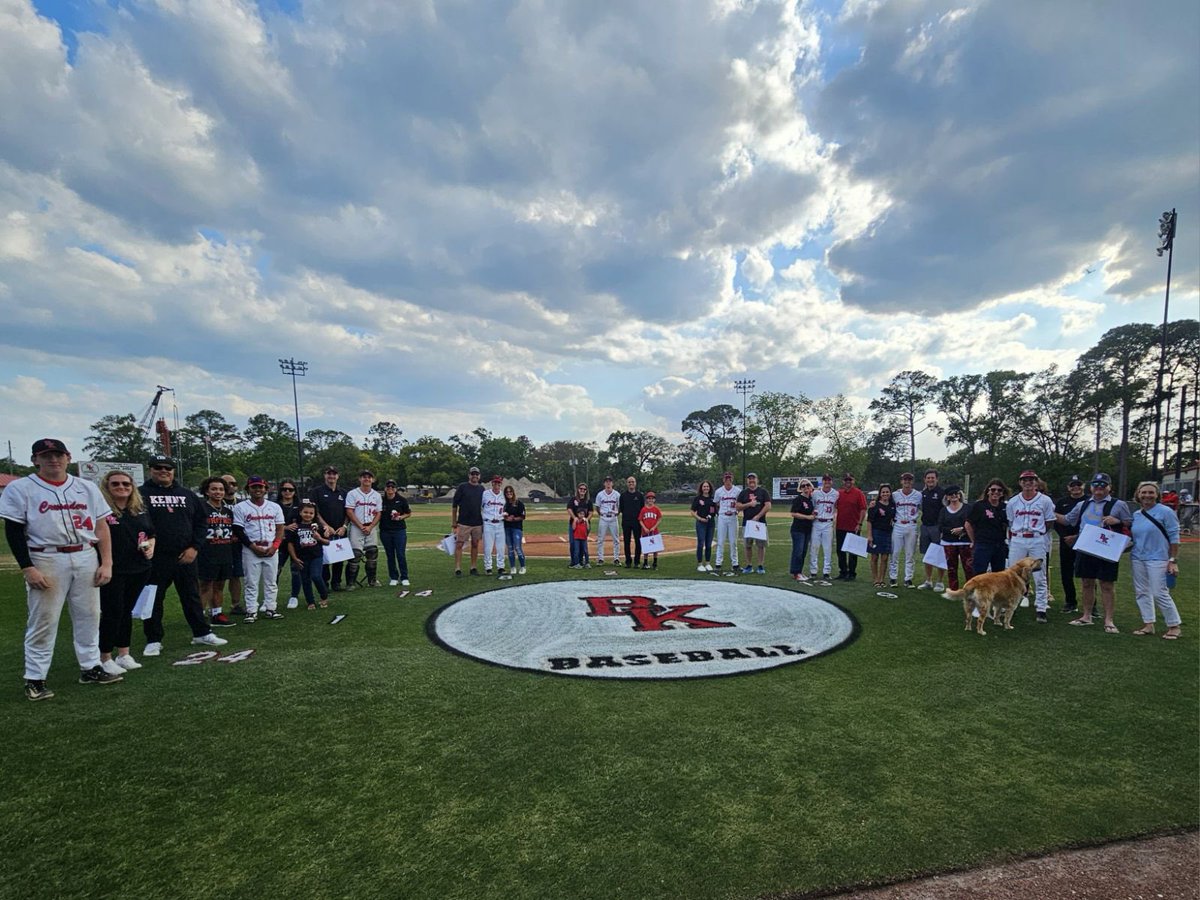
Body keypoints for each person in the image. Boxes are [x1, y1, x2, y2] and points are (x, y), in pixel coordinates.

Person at [1, 439, 119, 700]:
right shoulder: (21, 488)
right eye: (46, 455)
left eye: (58, 454)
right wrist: (27, 568)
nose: (53, 459)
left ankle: (90, 667)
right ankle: (35, 677)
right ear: (35, 459)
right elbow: (14, 530)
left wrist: (106, 562)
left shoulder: (85, 487)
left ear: (68, 457)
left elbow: (102, 527)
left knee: (90, 615)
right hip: (46, 557)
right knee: (44, 619)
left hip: (85, 553)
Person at [141, 456, 226, 655]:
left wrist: (194, 548)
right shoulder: (140, 493)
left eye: (168, 468)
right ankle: (153, 639)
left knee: (191, 596)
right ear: (150, 469)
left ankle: (201, 633)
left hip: (185, 555)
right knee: (153, 599)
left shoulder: (187, 495)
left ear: (173, 471)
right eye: (158, 468)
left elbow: (201, 523)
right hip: (156, 557)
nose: (164, 471)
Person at [97, 470, 156, 676]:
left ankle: (124, 653)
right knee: (112, 612)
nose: (122, 487)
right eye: (116, 484)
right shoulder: (101, 510)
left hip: (139, 567)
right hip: (113, 569)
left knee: (127, 611)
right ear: (107, 487)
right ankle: (104, 657)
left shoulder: (139, 509)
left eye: (126, 484)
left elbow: (151, 534)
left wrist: (150, 547)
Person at [1057, 472, 1132, 633]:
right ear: (1091, 487)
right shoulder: (1083, 504)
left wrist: (1117, 521)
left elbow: (1130, 522)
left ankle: (1109, 620)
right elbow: (1067, 520)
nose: (1099, 488)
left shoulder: (1118, 504)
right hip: (1086, 547)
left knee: (1106, 584)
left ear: (1109, 487)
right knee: (1087, 583)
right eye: (1096, 485)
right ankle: (1086, 616)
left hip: (1107, 547)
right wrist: (1048, 510)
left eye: (1103, 485)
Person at [1129, 482, 1182, 640]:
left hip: (1159, 558)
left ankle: (1174, 625)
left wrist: (1173, 560)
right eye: (1143, 492)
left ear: (1157, 495)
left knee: (1159, 592)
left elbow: (1174, 536)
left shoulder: (1165, 512)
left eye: (1151, 492)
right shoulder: (1137, 515)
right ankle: (1148, 623)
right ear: (1138, 494)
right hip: (1138, 557)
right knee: (1142, 592)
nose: (1147, 495)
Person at [232, 475, 286, 623]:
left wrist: (275, 546)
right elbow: (238, 529)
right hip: (251, 548)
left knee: (271, 581)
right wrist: (252, 546)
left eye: (260, 487)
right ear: (248, 489)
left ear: (265, 489)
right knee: (251, 582)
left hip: (270, 547)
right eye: (254, 487)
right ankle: (251, 611)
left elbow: (280, 528)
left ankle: (271, 608)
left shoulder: (274, 507)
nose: (257, 489)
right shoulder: (240, 507)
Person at [1006, 469, 1058, 623]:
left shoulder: (1045, 501)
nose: (1028, 483)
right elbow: (1010, 522)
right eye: (1025, 480)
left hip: (1036, 538)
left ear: (1036, 482)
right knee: (1013, 573)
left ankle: (1041, 607)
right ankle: (1012, 605)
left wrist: (1039, 533)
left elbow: (1049, 521)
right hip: (1018, 538)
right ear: (1020, 483)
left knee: (1039, 574)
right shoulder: (1013, 501)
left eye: (1031, 480)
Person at [196, 476, 237, 627]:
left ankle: (217, 614)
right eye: (214, 489)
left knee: (220, 585)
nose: (218, 492)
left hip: (225, 551)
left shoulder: (227, 511)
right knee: (205, 585)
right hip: (207, 552)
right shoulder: (201, 508)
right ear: (207, 491)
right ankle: (199, 616)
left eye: (221, 489)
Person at [310, 467, 349, 591]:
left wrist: (344, 526)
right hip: (324, 531)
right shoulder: (317, 491)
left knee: (339, 557)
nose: (331, 476)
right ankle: (324, 583)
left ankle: (336, 583)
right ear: (325, 475)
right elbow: (315, 512)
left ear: (338, 476)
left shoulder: (343, 492)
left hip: (340, 530)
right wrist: (325, 525)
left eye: (334, 474)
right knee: (325, 558)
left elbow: (348, 512)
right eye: (329, 474)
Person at [286, 500, 330, 609]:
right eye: (305, 512)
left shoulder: (318, 527)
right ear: (300, 512)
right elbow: (290, 544)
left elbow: (328, 542)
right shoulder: (295, 527)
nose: (308, 515)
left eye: (311, 513)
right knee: (305, 580)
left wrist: (320, 538)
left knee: (316, 576)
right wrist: (294, 558)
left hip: (316, 556)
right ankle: (310, 601)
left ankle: (324, 595)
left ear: (314, 514)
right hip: (301, 557)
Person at [344, 470, 383, 589]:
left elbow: (378, 513)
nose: (366, 479)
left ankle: (372, 580)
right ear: (360, 479)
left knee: (372, 552)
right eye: (364, 477)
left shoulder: (376, 495)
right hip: (356, 527)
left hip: (371, 527)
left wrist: (370, 527)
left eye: (369, 477)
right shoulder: (352, 493)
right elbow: (349, 511)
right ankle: (351, 583)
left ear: (373, 480)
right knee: (355, 554)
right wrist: (361, 526)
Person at [1053, 475, 1086, 615]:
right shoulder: (1062, 502)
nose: (1076, 487)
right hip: (1066, 541)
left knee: (1087, 574)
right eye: (1073, 485)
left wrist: (1078, 537)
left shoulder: (1089, 501)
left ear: (1083, 485)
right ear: (1068, 487)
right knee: (1066, 573)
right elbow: (1056, 520)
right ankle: (1070, 602)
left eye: (1078, 484)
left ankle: (1092, 605)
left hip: (1084, 541)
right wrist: (1064, 537)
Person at [966, 479, 1009, 578]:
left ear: (1003, 493)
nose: (996, 492)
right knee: (979, 572)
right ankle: (976, 593)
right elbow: (968, 524)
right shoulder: (979, 505)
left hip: (999, 545)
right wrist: (973, 541)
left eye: (999, 490)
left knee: (998, 575)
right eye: (993, 490)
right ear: (988, 491)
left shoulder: (1005, 507)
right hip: (983, 544)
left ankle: (995, 593)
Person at [937, 485, 974, 591]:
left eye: (956, 493)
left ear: (959, 495)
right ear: (947, 497)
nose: (954, 496)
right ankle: (954, 590)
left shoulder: (968, 508)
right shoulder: (943, 511)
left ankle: (970, 590)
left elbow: (972, 523)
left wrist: (962, 529)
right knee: (951, 568)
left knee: (969, 568)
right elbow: (940, 526)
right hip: (948, 543)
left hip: (965, 542)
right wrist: (952, 531)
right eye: (951, 494)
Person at [889, 472, 922, 587]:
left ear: (912, 481)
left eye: (909, 479)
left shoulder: (918, 495)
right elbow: (884, 502)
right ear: (901, 481)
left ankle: (908, 579)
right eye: (905, 479)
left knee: (910, 554)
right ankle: (893, 578)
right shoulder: (895, 495)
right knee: (895, 553)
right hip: (898, 525)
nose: (907, 481)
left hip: (911, 525)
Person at [451, 466, 485, 576]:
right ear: (469, 475)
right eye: (472, 474)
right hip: (464, 521)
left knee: (475, 544)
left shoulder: (481, 489)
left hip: (477, 522)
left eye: (476, 474)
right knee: (459, 544)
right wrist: (454, 521)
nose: (474, 476)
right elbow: (455, 505)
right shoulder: (462, 487)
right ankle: (457, 568)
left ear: (479, 476)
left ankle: (473, 567)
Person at [275, 479, 303, 609]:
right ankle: (270, 598)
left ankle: (294, 597)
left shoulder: (300, 505)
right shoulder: (273, 505)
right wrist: (285, 528)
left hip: (296, 543)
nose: (287, 492)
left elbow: (307, 519)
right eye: (284, 489)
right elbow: (268, 523)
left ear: (294, 491)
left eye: (290, 489)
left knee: (295, 570)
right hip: (279, 542)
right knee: (275, 570)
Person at [736, 472, 771, 575]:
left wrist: (758, 516)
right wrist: (748, 504)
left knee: (761, 545)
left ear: (757, 480)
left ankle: (760, 565)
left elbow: (768, 506)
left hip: (760, 523)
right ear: (747, 480)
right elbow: (737, 506)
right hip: (747, 523)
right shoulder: (743, 493)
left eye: (753, 478)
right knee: (748, 545)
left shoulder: (763, 492)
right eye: (749, 479)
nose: (751, 480)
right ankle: (749, 565)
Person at [835, 473, 868, 581]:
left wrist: (859, 523)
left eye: (850, 480)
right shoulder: (839, 493)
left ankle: (852, 573)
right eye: (846, 480)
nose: (848, 482)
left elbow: (863, 509)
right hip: (840, 526)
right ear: (843, 481)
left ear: (853, 481)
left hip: (853, 527)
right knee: (840, 551)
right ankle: (843, 571)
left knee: (853, 552)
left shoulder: (858, 493)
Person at [917, 469, 946, 591]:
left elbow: (947, 510)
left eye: (932, 478)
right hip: (925, 526)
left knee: (940, 554)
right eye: (928, 478)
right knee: (927, 555)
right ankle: (928, 580)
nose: (930, 480)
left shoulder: (942, 493)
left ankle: (940, 582)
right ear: (925, 479)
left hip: (937, 528)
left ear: (937, 479)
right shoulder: (922, 493)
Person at [220, 474, 245, 612]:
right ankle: (212, 609)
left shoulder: (242, 503)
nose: (231, 486)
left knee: (236, 575)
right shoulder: (212, 502)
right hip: (218, 544)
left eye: (234, 483)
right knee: (217, 578)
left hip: (237, 545)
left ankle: (235, 605)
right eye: (227, 483)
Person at [379, 480, 411, 586]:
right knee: (390, 555)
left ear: (395, 489)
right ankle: (393, 577)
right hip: (385, 531)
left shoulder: (401, 500)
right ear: (385, 489)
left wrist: (400, 517)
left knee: (401, 554)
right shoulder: (381, 500)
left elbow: (408, 513)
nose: (390, 489)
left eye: (392, 487)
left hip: (399, 530)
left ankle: (404, 577)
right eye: (388, 487)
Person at [866, 484, 896, 587]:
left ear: (890, 493)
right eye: (883, 492)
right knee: (874, 557)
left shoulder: (893, 505)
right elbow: (869, 521)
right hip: (876, 532)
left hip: (887, 533)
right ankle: (875, 580)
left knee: (885, 558)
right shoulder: (875, 505)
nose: (885, 494)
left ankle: (881, 579)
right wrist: (869, 535)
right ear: (880, 494)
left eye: (887, 492)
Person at [809, 474, 838, 579]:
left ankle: (826, 572)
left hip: (828, 523)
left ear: (832, 482)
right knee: (814, 547)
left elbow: (838, 506)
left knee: (827, 548)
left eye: (829, 480)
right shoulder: (815, 493)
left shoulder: (836, 494)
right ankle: (813, 571)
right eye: (825, 480)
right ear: (822, 482)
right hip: (816, 522)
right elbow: (810, 505)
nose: (827, 482)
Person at [712, 471, 740, 575]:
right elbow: (716, 503)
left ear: (732, 479)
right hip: (722, 517)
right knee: (720, 541)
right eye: (726, 479)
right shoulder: (719, 491)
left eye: (729, 478)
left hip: (733, 516)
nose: (728, 480)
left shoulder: (737, 490)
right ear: (723, 479)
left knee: (733, 542)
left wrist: (737, 511)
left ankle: (735, 563)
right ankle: (718, 563)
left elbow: (740, 504)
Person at [788, 479, 816, 582]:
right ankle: (795, 572)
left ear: (811, 486)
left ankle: (799, 571)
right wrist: (807, 517)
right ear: (800, 488)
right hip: (798, 529)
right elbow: (793, 513)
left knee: (803, 552)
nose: (805, 487)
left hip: (807, 530)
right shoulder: (798, 499)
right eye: (803, 486)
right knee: (798, 551)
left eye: (807, 485)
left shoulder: (811, 500)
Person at [481, 476, 508, 575]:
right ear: (492, 483)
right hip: (488, 523)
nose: (497, 485)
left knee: (501, 547)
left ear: (501, 484)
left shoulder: (503, 495)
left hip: (500, 523)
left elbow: (507, 508)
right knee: (488, 547)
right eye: (495, 483)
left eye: (498, 483)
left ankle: (501, 567)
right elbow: (480, 505)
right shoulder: (485, 494)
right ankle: (488, 567)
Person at [594, 475, 622, 565]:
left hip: (613, 518)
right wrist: (601, 514)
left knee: (616, 539)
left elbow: (620, 506)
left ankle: (616, 558)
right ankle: (600, 558)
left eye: (610, 481)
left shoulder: (617, 494)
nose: (608, 483)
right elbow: (597, 506)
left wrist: (618, 512)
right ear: (604, 483)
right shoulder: (600, 494)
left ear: (612, 483)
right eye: (606, 481)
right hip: (603, 518)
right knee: (600, 539)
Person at [620, 476, 646, 569]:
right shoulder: (623, 495)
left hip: (637, 522)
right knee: (626, 542)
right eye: (629, 482)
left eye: (633, 482)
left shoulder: (639, 495)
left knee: (638, 542)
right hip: (626, 521)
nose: (631, 483)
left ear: (635, 483)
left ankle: (637, 562)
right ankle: (628, 561)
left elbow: (642, 509)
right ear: (627, 484)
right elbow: (622, 508)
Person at [691, 480, 717, 572]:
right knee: (701, 543)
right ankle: (699, 564)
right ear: (701, 488)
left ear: (710, 488)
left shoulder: (713, 499)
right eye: (704, 486)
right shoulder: (698, 499)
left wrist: (710, 516)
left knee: (708, 544)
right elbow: (692, 512)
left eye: (707, 486)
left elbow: (715, 511)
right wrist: (700, 519)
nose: (706, 488)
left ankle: (708, 563)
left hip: (711, 524)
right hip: (701, 523)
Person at [567, 482, 593, 569]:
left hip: (584, 526)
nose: (582, 490)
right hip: (574, 525)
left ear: (586, 491)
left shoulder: (588, 501)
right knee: (573, 543)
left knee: (583, 544)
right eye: (581, 489)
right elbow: (569, 509)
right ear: (578, 490)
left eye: (584, 489)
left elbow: (591, 512)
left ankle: (581, 561)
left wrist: (587, 520)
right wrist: (574, 518)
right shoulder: (573, 499)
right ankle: (574, 561)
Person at [503, 485, 527, 575]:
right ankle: (512, 567)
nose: (509, 494)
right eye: (507, 492)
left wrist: (513, 519)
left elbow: (523, 516)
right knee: (510, 548)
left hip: (516, 528)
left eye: (510, 492)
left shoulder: (519, 503)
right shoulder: (504, 504)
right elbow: (501, 515)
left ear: (513, 493)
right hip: (507, 528)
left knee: (518, 548)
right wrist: (506, 518)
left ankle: (523, 566)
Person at [639, 490, 663, 570]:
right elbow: (640, 520)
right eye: (649, 498)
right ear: (646, 500)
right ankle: (645, 563)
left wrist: (654, 527)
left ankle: (655, 563)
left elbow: (659, 519)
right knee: (646, 548)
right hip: (645, 531)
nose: (650, 500)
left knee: (655, 548)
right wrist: (644, 528)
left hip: (654, 532)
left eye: (652, 498)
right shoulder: (643, 509)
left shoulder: (656, 509)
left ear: (654, 500)